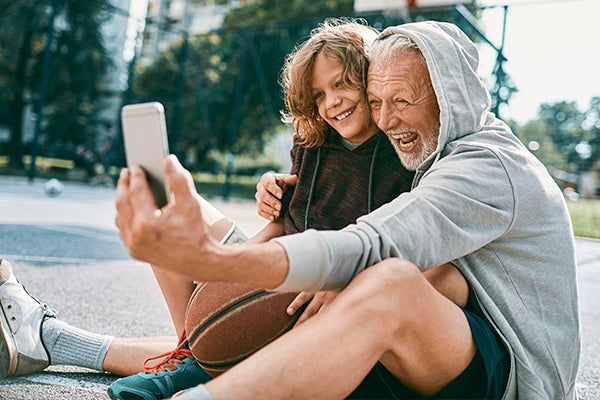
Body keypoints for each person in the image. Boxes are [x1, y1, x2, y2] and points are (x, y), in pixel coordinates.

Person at [111, 20, 580, 400]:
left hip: (513, 374)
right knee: (272, 315)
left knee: (387, 280)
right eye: (378, 102)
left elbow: (388, 247)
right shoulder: (424, 151)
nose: (387, 118)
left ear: (449, 94)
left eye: (401, 100)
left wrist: (213, 261)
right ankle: (148, 355)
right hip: (434, 342)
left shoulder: (485, 165)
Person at [0, 19, 464, 400]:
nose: (332, 102)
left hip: (326, 285)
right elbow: (286, 223)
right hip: (284, 259)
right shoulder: (313, 137)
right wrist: (230, 260)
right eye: (320, 94)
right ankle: (188, 355)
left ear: (370, 80)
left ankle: (167, 361)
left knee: (227, 329)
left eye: (343, 85)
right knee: (164, 198)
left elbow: (410, 249)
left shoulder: (400, 146)